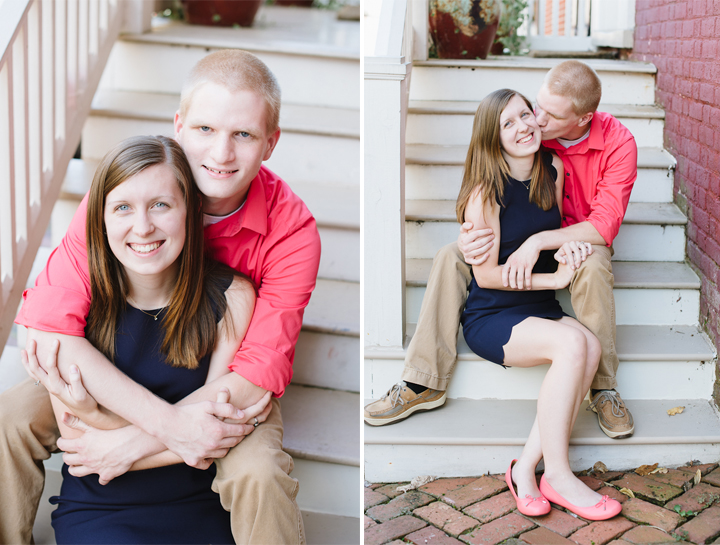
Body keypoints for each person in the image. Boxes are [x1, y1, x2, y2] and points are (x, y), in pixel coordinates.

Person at [1, 50, 321, 545]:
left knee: (258, 470)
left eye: (243, 134)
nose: (220, 154)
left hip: (221, 386)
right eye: (205, 131)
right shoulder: (131, 190)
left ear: (270, 143)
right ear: (179, 125)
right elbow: (46, 325)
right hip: (123, 359)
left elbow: (253, 377)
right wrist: (172, 426)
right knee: (11, 417)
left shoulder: (291, 233)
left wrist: (127, 447)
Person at [365, 60, 637, 440]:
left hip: (578, 236)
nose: (537, 120)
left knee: (592, 266)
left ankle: (604, 386)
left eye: (548, 114)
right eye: (535, 106)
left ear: (582, 119)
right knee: (450, 254)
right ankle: (423, 380)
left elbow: (604, 225)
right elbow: (493, 172)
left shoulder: (618, 144)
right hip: (528, 233)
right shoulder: (534, 131)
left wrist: (538, 243)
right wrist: (471, 234)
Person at [22, 135, 266, 543]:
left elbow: (213, 437)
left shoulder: (232, 298)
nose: (143, 227)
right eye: (122, 208)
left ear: (190, 211)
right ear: (99, 219)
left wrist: (102, 422)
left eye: (160, 205)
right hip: (101, 508)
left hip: (197, 505)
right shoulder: (73, 305)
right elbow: (78, 444)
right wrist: (184, 432)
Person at [458, 88, 621, 520]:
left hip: (538, 306)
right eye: (507, 124)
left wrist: (567, 252)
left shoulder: (554, 168)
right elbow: (486, 275)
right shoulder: (485, 193)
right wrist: (556, 277)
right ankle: (561, 475)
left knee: (590, 344)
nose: (522, 127)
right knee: (572, 347)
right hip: (492, 314)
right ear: (493, 138)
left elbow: (558, 230)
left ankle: (527, 469)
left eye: (525, 115)